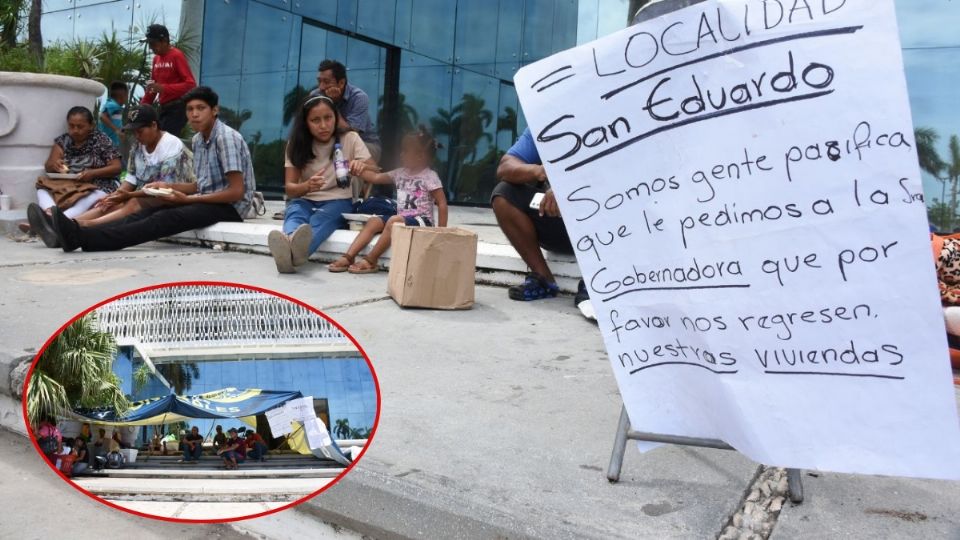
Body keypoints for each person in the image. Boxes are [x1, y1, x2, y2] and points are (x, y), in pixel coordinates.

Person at [49, 86, 256, 252]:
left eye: (200, 108)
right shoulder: (199, 139)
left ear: (215, 111)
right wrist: (168, 186)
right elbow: (200, 185)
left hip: (232, 208)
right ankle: (78, 233)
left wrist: (188, 200)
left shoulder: (225, 137)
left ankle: (84, 236)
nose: (194, 114)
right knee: (145, 213)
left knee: (164, 218)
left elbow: (236, 192)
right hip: (208, 200)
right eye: (190, 109)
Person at [492, 127, 593, 319]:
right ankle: (544, 280)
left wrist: (569, 189)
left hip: (608, 225)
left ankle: (599, 281)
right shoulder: (545, 123)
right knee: (504, 194)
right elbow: (505, 166)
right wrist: (542, 171)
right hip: (560, 224)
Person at [268, 95, 372, 273]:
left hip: (339, 200)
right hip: (305, 199)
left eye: (328, 118)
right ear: (306, 123)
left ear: (336, 118)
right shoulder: (296, 144)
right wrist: (307, 186)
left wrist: (362, 165)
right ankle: (292, 249)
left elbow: (374, 170)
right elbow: (291, 189)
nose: (323, 125)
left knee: (320, 221)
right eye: (315, 120)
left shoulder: (350, 138)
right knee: (294, 214)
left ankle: (289, 253)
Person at [329, 125, 448, 273]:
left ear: (420, 156)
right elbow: (375, 177)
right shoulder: (400, 173)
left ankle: (371, 260)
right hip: (402, 219)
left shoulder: (430, 177)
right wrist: (354, 169)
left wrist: (442, 233)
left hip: (422, 221)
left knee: (393, 220)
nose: (401, 155)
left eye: (405, 151)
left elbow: (442, 203)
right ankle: (349, 256)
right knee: (374, 221)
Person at [74, 105, 195, 228]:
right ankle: (71, 223)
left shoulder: (171, 144)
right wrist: (115, 195)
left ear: (154, 125)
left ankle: (87, 225)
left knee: (133, 202)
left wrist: (129, 195)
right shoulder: (137, 146)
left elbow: (163, 190)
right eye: (134, 132)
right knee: (109, 203)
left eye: (140, 131)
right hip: (147, 198)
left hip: (174, 198)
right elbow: (130, 180)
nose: (137, 136)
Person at [25, 107, 122, 248]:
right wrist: (55, 165)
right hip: (69, 185)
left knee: (86, 200)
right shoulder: (63, 141)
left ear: (91, 126)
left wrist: (93, 173)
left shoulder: (101, 140)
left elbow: (116, 167)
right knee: (42, 188)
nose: (75, 130)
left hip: (98, 184)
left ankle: (49, 223)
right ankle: (50, 217)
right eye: (71, 126)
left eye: (80, 126)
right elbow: (48, 166)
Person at [310, 59, 380, 160]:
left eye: (326, 82)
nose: (321, 87)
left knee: (345, 146)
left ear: (341, 83)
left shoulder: (359, 97)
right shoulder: (315, 95)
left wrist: (331, 103)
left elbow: (350, 134)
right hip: (334, 142)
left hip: (366, 144)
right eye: (319, 81)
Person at [140, 24, 196, 136]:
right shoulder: (156, 59)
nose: (151, 47)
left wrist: (163, 88)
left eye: (153, 43)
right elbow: (153, 88)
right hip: (164, 108)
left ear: (164, 41)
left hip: (178, 107)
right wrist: (141, 108)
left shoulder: (176, 55)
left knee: (163, 139)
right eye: (149, 44)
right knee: (155, 136)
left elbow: (191, 85)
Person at [98, 81, 128, 149]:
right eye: (127, 95)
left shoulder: (115, 106)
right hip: (107, 144)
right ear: (122, 96)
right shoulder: (112, 105)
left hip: (111, 143)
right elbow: (102, 116)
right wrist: (116, 130)